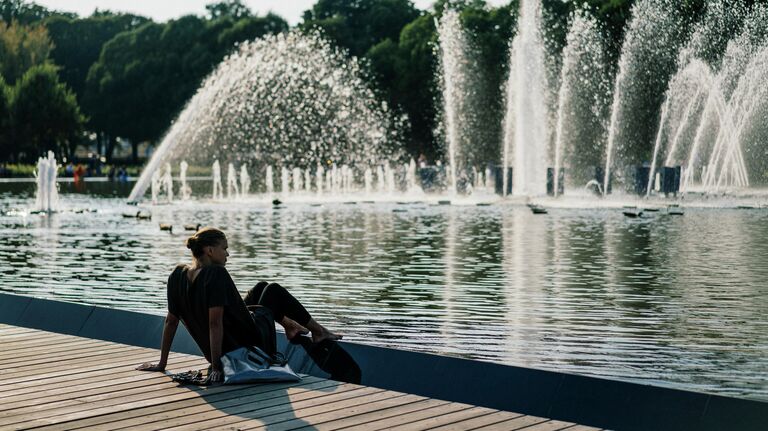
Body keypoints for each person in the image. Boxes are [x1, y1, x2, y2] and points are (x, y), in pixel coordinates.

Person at [136, 227, 341, 383]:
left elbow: (170, 322)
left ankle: (289, 325)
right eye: (224, 249)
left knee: (260, 288)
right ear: (209, 250)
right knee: (273, 291)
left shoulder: (176, 275)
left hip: (230, 341)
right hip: (246, 346)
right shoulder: (216, 274)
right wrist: (217, 367)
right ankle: (318, 331)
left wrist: (162, 364)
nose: (228, 254)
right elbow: (214, 324)